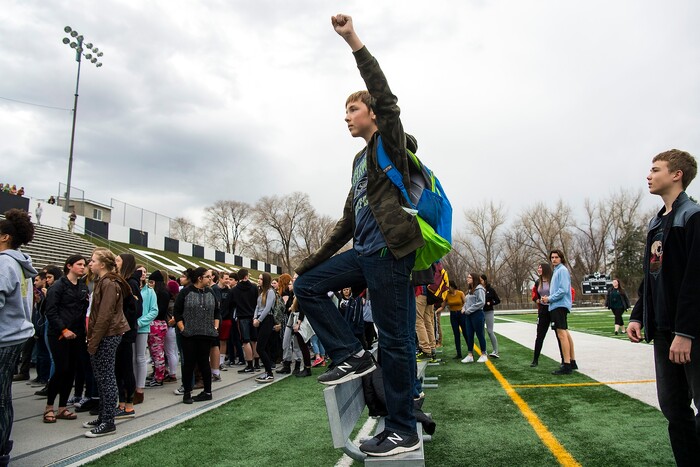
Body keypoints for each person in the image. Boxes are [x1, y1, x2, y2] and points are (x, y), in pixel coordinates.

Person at [293, 14, 424, 456]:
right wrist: (309, 264)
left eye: (352, 109)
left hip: (389, 252)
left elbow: (387, 98)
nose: (346, 117)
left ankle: (403, 428)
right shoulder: (357, 162)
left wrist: (352, 40)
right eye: (345, 111)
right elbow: (346, 223)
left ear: (370, 112)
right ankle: (350, 354)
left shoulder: (389, 140)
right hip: (364, 252)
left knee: (396, 340)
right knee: (306, 286)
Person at [628, 149, 700, 465]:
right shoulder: (656, 223)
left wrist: (685, 332)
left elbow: (696, 280)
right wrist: (637, 315)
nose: (649, 175)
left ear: (676, 175)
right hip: (662, 330)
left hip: (690, 333)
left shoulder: (693, 217)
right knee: (673, 409)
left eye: (655, 169)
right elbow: (652, 274)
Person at [0, 209, 37, 465]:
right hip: (14, 334)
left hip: (4, 337)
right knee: (3, 397)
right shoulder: (21, 263)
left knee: (1, 399)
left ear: (4, 237)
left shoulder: (4, 262)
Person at [83, 248, 131, 438]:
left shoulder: (109, 283)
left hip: (108, 334)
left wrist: (93, 340)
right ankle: (104, 415)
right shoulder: (102, 281)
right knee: (101, 377)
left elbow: (104, 315)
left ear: (102, 264)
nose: (90, 263)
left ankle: (108, 421)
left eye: (93, 260)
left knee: (106, 378)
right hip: (104, 334)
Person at [43, 255, 89, 423]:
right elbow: (51, 311)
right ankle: (49, 407)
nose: (82, 267)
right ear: (69, 266)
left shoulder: (83, 287)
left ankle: (62, 407)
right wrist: (63, 329)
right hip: (59, 335)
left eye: (84, 265)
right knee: (61, 369)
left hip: (77, 335)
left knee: (71, 371)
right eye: (79, 264)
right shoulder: (58, 286)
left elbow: (83, 312)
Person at [174, 267, 219, 404]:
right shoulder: (186, 292)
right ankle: (187, 392)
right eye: (207, 276)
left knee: (204, 363)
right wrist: (183, 329)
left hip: (206, 334)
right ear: (199, 278)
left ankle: (207, 391)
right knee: (189, 364)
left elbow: (217, 312)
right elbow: (177, 312)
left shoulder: (211, 292)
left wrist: (215, 327)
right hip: (189, 335)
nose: (210, 279)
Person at [542, 249, 577, 375]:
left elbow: (562, 290)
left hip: (559, 305)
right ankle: (572, 361)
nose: (554, 259)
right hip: (556, 305)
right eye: (552, 257)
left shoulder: (562, 270)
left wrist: (549, 298)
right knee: (565, 333)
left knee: (561, 334)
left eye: (556, 257)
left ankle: (566, 364)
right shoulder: (557, 271)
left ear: (561, 258)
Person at [252, 273, 276, 383]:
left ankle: (269, 372)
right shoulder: (261, 292)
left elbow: (267, 308)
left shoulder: (270, 292)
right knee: (263, 347)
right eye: (258, 278)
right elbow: (257, 306)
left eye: (261, 279)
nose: (259, 280)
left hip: (267, 320)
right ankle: (267, 371)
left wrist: (259, 319)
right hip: (260, 320)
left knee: (260, 348)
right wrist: (254, 318)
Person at [461, 273, 488, 364]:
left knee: (480, 334)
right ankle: (470, 355)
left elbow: (481, 302)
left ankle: (484, 354)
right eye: (467, 277)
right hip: (469, 316)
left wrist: (468, 310)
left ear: (474, 279)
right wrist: (464, 308)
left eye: (469, 277)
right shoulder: (470, 290)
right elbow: (467, 302)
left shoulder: (479, 289)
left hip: (477, 315)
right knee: (469, 335)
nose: (467, 279)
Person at [480, 274, 501, 358]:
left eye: (481, 280)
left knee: (490, 331)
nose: (480, 282)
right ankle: (483, 351)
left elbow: (498, 300)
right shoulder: (477, 289)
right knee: (481, 332)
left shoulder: (490, 290)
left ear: (484, 281)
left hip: (489, 312)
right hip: (480, 312)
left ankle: (495, 351)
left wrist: (490, 303)